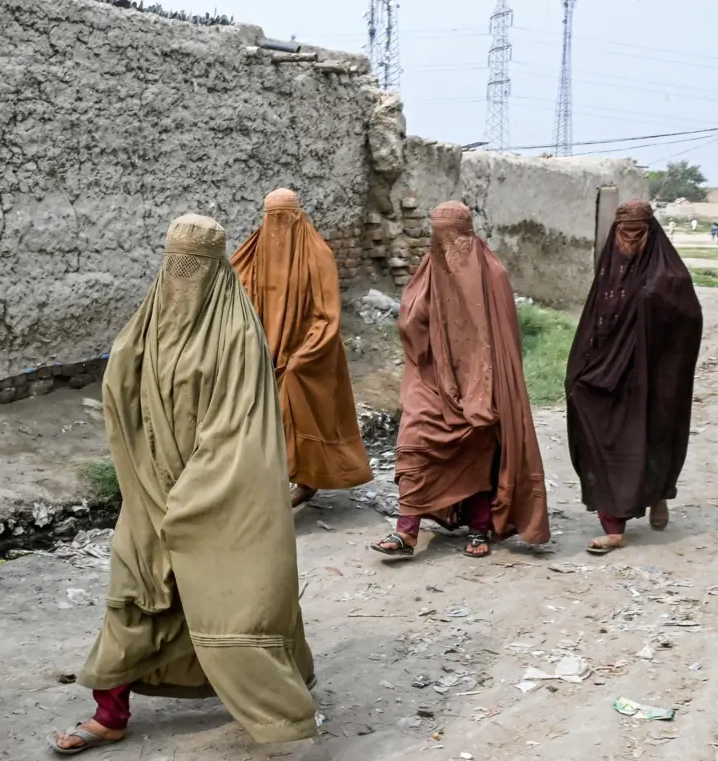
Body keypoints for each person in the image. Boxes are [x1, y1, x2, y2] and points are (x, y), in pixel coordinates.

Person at [49, 214, 317, 753]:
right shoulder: (148, 324)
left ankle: (278, 701)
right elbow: (120, 392)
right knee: (136, 591)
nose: (182, 279)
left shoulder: (237, 335)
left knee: (237, 599)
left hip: (211, 494)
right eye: (175, 266)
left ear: (217, 270)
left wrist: (194, 493)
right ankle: (109, 712)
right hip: (150, 491)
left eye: (194, 268)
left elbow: (236, 427)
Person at [372, 202, 550, 559]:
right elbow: (411, 329)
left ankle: (480, 527)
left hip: (478, 382)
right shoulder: (427, 274)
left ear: (468, 234)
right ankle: (406, 531)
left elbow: (504, 342)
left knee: (478, 441)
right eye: (440, 237)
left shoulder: (493, 275)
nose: (448, 245)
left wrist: (485, 387)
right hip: (430, 381)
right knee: (414, 440)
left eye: (454, 236)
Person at [566, 200, 703, 555]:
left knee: (653, 437)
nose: (628, 242)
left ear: (651, 233)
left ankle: (658, 493)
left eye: (637, 235)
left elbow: (687, 323)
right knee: (596, 422)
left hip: (654, 378)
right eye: (623, 235)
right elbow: (595, 319)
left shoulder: (671, 277)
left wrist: (653, 306)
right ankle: (614, 523)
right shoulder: (609, 269)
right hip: (608, 373)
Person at [231, 188, 373, 507]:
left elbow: (327, 315)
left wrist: (303, 356)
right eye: (271, 219)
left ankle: (297, 483)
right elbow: (234, 289)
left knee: (295, 418)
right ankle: (274, 489)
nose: (277, 227)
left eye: (283, 219)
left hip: (308, 354)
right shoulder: (254, 251)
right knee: (261, 423)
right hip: (264, 352)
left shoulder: (317, 255)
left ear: (297, 217)